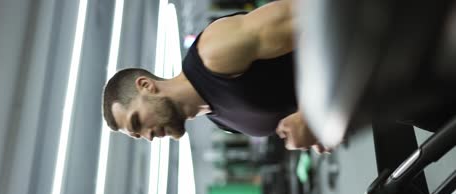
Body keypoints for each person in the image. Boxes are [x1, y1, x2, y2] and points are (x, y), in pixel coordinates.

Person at [102, 0, 328, 152]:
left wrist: (310, 113)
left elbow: (315, 12)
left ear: (146, 86)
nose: (148, 137)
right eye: (139, 136)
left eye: (137, 121)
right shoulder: (222, 120)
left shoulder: (213, 51)